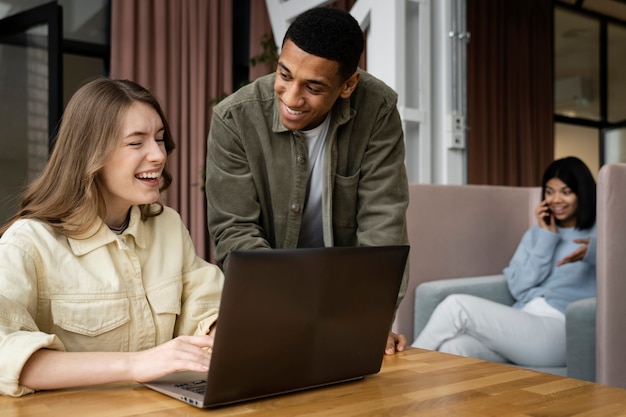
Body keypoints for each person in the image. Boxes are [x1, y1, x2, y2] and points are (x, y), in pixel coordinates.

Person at [0, 78, 224, 397]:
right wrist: (135, 364)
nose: (158, 154)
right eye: (136, 143)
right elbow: (4, 353)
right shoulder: (28, 242)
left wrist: (218, 332)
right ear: (90, 153)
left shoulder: (168, 226)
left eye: (160, 139)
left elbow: (207, 305)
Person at [205, 7, 410, 355]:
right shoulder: (234, 118)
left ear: (349, 85)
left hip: (346, 297)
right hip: (266, 297)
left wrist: (368, 317)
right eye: (284, 75)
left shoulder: (378, 109)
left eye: (313, 87)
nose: (291, 97)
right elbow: (235, 230)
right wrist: (296, 311)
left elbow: (382, 223)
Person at [412, 156, 597, 367]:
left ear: (582, 193)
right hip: (523, 324)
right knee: (454, 348)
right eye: (549, 191)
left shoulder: (601, 234)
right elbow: (518, 287)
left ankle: (404, 372)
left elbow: (617, 273)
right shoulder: (536, 235)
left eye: (566, 192)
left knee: (455, 306)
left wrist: (594, 252)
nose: (556, 200)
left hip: (561, 330)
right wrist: (547, 239)